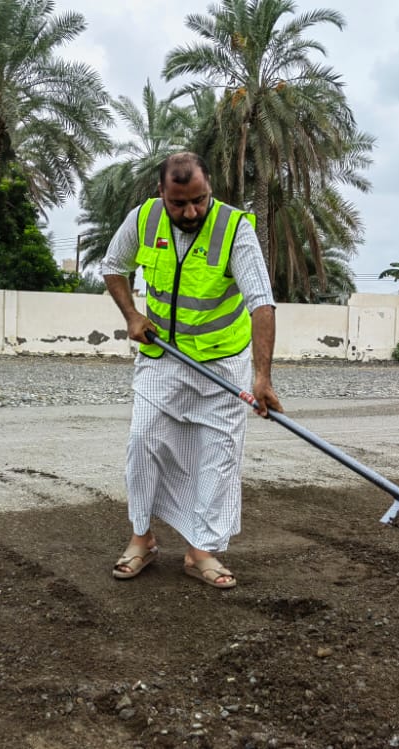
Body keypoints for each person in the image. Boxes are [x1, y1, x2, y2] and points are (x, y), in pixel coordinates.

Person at [100, 151, 282, 589]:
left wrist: (261, 376)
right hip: (164, 356)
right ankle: (142, 538)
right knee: (143, 442)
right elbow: (113, 267)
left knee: (218, 455)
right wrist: (132, 315)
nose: (191, 212)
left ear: (210, 188)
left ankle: (201, 550)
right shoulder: (144, 219)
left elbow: (261, 301)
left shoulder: (234, 228)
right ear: (161, 192)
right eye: (179, 203)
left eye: (199, 200)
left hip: (222, 361)